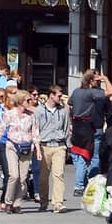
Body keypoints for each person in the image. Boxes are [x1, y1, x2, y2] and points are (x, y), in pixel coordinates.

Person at [0, 89, 41, 213]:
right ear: (20, 101)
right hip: (12, 146)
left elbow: (35, 133)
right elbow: (0, 130)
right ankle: (8, 202)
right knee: (14, 175)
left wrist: (38, 150)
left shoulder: (31, 115)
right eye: (28, 100)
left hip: (26, 148)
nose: (30, 102)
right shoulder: (9, 114)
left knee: (23, 178)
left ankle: (17, 203)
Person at [69, 69, 112, 194]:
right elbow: (110, 92)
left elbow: (69, 104)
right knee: (90, 156)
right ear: (91, 81)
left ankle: (80, 182)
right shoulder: (92, 93)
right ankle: (84, 184)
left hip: (76, 125)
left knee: (77, 154)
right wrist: (105, 79)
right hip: (89, 126)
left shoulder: (76, 91)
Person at [35, 84, 71, 213]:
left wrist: (68, 147)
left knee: (59, 174)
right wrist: (37, 147)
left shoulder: (63, 111)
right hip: (44, 146)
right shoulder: (39, 111)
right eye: (59, 96)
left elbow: (67, 129)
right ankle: (43, 202)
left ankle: (58, 203)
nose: (61, 98)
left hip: (59, 145)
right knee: (44, 176)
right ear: (51, 95)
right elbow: (36, 129)